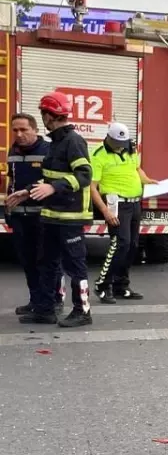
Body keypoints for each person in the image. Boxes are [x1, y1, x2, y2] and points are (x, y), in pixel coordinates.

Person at [18, 92, 93, 327]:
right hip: (51, 216)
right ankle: (46, 310)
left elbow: (84, 175)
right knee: (48, 264)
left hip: (70, 217)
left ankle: (83, 312)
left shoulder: (73, 141)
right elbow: (48, 178)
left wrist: (54, 188)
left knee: (75, 266)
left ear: (49, 115)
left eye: (43, 114)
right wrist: (26, 191)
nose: (43, 119)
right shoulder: (54, 143)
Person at [4, 112, 63, 315]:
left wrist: (28, 191)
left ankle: (53, 300)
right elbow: (11, 181)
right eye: (15, 130)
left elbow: (51, 182)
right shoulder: (13, 151)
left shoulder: (48, 150)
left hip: (42, 216)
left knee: (46, 262)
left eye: (24, 130)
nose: (19, 134)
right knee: (28, 261)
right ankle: (36, 300)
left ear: (35, 130)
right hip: (20, 216)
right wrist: (8, 207)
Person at [91, 122, 155, 303]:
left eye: (124, 141)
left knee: (133, 245)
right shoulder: (98, 155)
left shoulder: (131, 149)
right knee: (120, 244)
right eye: (117, 142)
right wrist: (105, 211)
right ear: (108, 138)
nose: (121, 145)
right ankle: (102, 285)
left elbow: (136, 169)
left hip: (134, 203)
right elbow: (92, 187)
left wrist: (147, 180)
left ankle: (121, 285)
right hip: (116, 204)